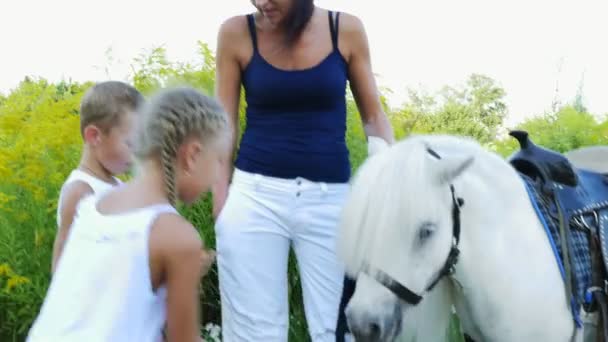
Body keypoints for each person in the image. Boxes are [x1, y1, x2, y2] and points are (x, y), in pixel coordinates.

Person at [213, 0, 394, 340]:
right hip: (254, 199)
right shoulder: (236, 33)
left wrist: (388, 175)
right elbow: (224, 126)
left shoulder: (346, 29)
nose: (261, 2)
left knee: (338, 328)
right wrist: (221, 202)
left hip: (332, 202)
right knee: (255, 332)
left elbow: (373, 117)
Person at [27, 87, 229, 342]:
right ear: (192, 155)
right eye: (219, 161)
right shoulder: (176, 236)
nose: (218, 176)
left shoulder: (95, 206)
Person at [51, 80, 144, 273]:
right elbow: (61, 268)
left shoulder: (117, 185)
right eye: (131, 143)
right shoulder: (81, 191)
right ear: (94, 136)